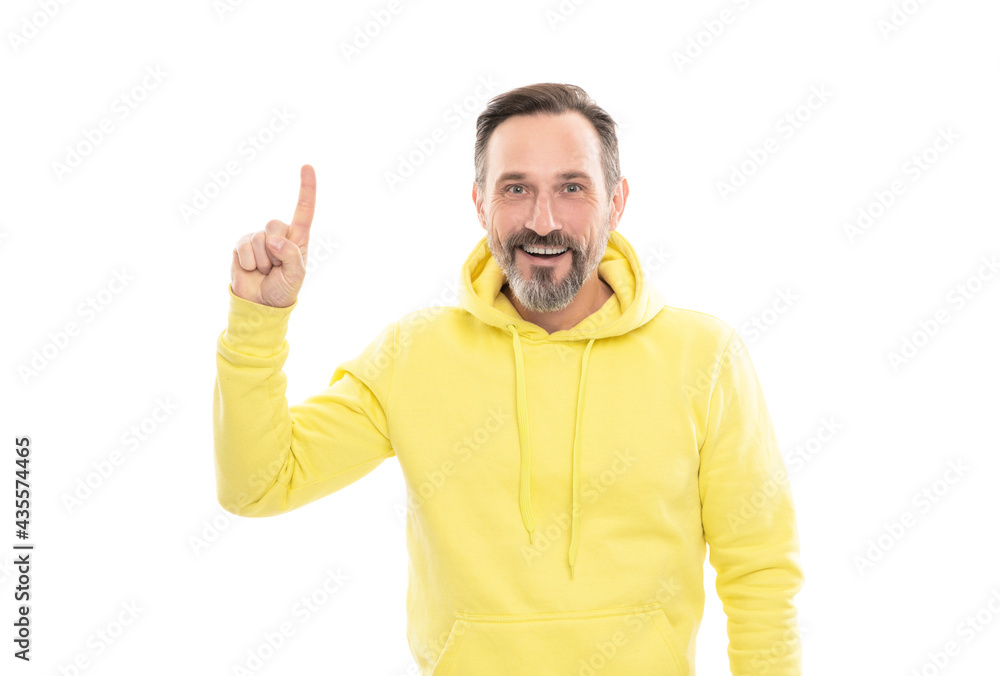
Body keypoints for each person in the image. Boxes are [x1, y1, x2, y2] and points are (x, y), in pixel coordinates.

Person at [213, 83, 804, 675]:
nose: (543, 222)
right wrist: (256, 320)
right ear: (479, 203)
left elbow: (760, 571)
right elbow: (258, 483)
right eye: (516, 189)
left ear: (616, 202)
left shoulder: (704, 357)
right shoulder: (414, 355)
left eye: (572, 188)